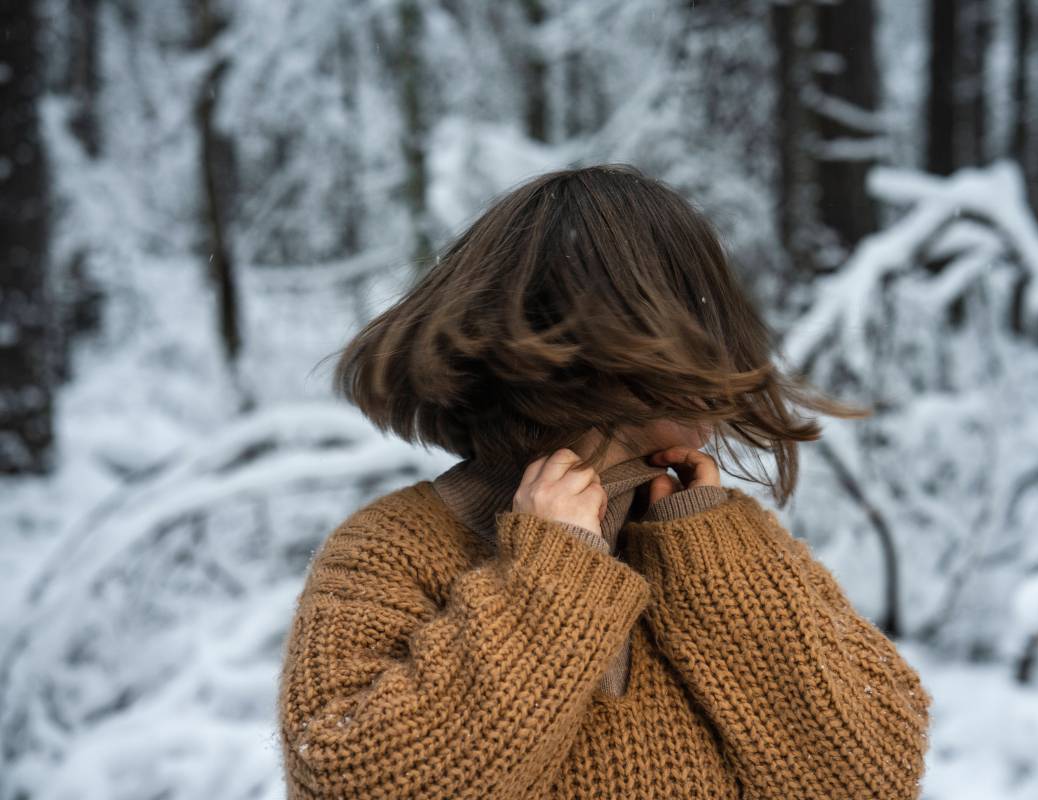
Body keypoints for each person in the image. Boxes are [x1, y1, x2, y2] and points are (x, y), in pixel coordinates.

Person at [276, 164, 933, 799]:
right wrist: (549, 585)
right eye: (702, 320)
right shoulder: (392, 550)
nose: (729, 353)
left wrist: (716, 560)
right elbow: (351, 783)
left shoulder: (721, 541)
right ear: (631, 340)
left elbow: (871, 779)